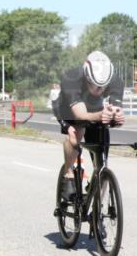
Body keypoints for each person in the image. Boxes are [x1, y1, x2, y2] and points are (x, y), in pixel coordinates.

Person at [53, 51, 126, 200]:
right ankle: (68, 174)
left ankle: (96, 204)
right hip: (69, 110)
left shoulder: (116, 80)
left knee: (102, 163)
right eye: (94, 85)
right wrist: (100, 115)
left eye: (102, 86)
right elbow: (80, 115)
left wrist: (117, 117)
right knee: (75, 136)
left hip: (94, 108)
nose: (99, 90)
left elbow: (114, 111)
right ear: (86, 76)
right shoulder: (71, 79)